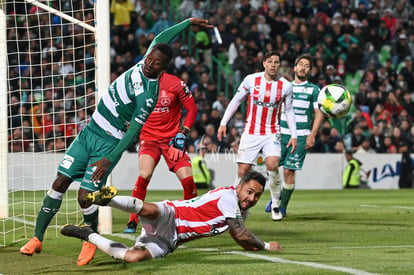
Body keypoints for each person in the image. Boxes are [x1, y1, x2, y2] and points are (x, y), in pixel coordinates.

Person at [19, 17, 213, 266]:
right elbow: (164, 36)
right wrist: (186, 22)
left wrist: (110, 157)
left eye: (156, 64)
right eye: (150, 58)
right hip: (89, 132)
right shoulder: (147, 59)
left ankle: (89, 239)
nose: (150, 64)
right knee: (60, 181)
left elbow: (133, 132)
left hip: (109, 142)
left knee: (85, 195)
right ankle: (37, 237)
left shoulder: (149, 96)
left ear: (163, 68)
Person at [60, 171, 282, 263]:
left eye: (257, 195)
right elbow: (242, 233)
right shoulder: (228, 196)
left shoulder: (240, 210)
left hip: (170, 240)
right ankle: (105, 199)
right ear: (239, 187)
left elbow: (237, 233)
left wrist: (248, 246)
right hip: (173, 215)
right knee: (150, 210)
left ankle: (88, 235)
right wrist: (264, 246)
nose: (252, 198)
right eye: (249, 192)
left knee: (133, 258)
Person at [217, 51, 297, 221]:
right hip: (251, 132)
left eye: (276, 62)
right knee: (243, 170)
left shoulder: (286, 86)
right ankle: (232, 204)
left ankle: (276, 204)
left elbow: (289, 110)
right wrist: (224, 122)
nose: (273, 65)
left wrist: (294, 135)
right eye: (270, 61)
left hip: (272, 132)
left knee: (273, 165)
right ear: (264, 64)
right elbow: (236, 101)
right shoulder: (251, 80)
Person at [123, 71, 198, 234]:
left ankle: (189, 222)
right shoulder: (136, 83)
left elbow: (192, 110)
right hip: (149, 139)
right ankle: (132, 220)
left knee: (188, 181)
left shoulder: (176, 83)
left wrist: (182, 133)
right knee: (144, 174)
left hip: (172, 140)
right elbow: (127, 107)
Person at [266, 54, 324, 220]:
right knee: (272, 166)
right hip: (280, 134)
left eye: (306, 66)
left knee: (289, 172)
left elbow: (318, 113)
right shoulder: (285, 86)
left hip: (300, 136)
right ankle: (275, 198)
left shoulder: (314, 90)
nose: (303, 68)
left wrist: (312, 134)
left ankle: (281, 207)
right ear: (295, 67)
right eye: (301, 65)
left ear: (310, 70)